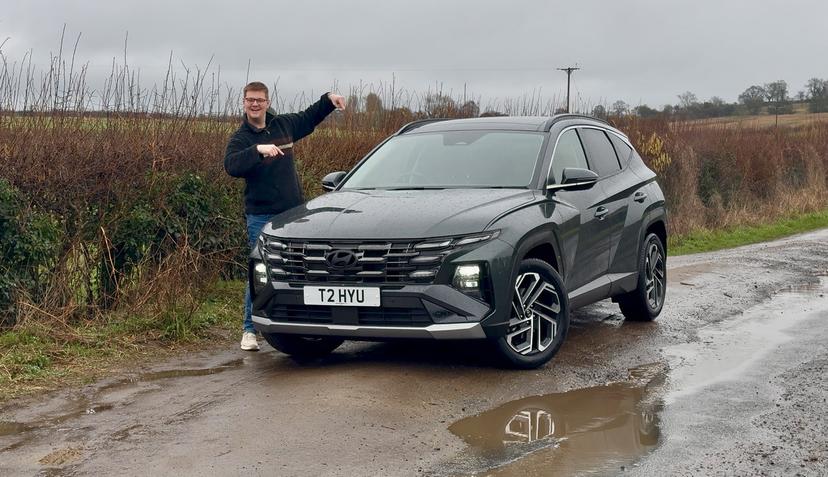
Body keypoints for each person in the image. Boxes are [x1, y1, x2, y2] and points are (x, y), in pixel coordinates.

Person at [224, 81, 346, 351]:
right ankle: (249, 330)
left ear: (267, 102)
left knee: (299, 268)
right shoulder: (241, 138)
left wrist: (328, 99)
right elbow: (231, 165)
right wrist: (258, 150)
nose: (254, 104)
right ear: (244, 103)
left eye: (259, 100)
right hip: (260, 215)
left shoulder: (283, 125)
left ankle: (300, 320)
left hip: (293, 213)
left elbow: (309, 116)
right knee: (261, 270)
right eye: (250, 100)